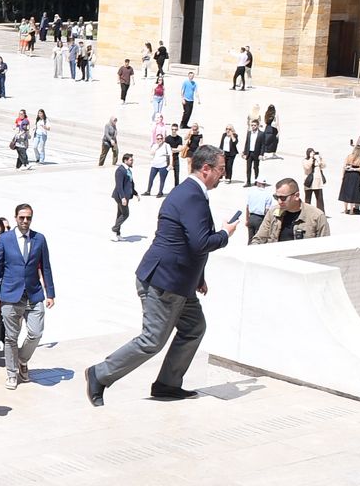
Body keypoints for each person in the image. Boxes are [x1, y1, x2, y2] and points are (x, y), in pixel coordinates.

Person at [85, 145, 244, 407]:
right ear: (206, 169)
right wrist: (226, 233)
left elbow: (185, 241)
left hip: (180, 282)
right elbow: (201, 243)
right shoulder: (191, 196)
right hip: (164, 282)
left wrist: (199, 277)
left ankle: (167, 385)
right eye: (220, 169)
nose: (223, 175)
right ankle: (99, 374)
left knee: (194, 328)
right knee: (152, 340)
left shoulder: (190, 192)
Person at [0, 203, 56, 390]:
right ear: (16, 218)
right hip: (11, 294)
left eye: (28, 218)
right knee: (11, 337)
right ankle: (11, 373)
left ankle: (22, 360)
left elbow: (46, 267)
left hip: (33, 294)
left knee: (36, 333)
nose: (25, 221)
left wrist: (50, 293)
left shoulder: (39, 239)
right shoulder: (5, 239)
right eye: (22, 217)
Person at [251, 178, 331, 244]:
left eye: (283, 198)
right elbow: (259, 239)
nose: (279, 201)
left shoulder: (316, 216)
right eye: (276, 197)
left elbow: (325, 246)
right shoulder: (273, 213)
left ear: (296, 196)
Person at [112, 153, 139, 238]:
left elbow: (130, 183)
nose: (132, 161)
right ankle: (115, 229)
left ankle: (117, 234)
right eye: (131, 160)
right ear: (125, 160)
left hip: (125, 196)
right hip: (120, 196)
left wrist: (135, 193)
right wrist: (123, 198)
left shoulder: (127, 170)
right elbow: (119, 186)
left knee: (120, 215)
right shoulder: (120, 170)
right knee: (125, 214)